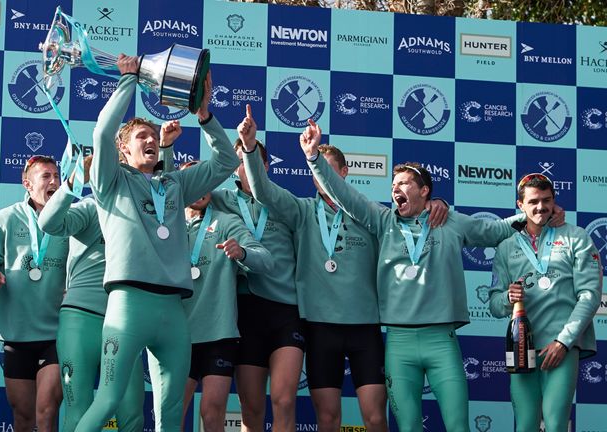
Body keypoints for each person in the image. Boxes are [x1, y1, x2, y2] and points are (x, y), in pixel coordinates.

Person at [300, 119, 564, 432]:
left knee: (457, 427)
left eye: (403, 183)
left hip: (442, 340)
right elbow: (342, 193)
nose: (395, 188)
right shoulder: (382, 220)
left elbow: (494, 231)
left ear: (424, 191)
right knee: (409, 427)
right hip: (398, 342)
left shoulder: (450, 221)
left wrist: (537, 212)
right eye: (393, 184)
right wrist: (313, 157)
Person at [240, 108, 446, 432]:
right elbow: (264, 192)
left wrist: (437, 203)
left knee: (376, 417)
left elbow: (412, 215)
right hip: (321, 328)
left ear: (344, 173)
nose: (322, 180)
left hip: (365, 327)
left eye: (329, 172)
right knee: (328, 418)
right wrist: (251, 150)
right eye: (316, 173)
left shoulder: (370, 214)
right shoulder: (301, 211)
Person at [74, 55, 238, 432]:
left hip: (173, 310)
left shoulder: (175, 186)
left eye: (152, 135)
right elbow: (101, 135)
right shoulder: (111, 183)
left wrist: (205, 115)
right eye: (140, 137)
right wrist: (128, 80)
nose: (150, 140)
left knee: (170, 411)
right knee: (109, 399)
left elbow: (226, 162)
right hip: (128, 305)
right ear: (123, 152)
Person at [37, 120, 179, 432]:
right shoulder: (91, 206)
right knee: (79, 412)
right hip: (83, 318)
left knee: (130, 415)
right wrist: (74, 181)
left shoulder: (155, 207)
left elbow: (165, 186)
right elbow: (49, 222)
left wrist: (166, 149)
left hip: (127, 321)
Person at [207, 113, 302, 432]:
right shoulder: (220, 200)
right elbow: (182, 190)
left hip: (285, 309)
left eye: (252, 160)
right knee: (250, 406)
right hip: (244, 311)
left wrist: (249, 144)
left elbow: (264, 190)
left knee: (285, 400)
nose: (247, 167)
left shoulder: (284, 202)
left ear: (266, 166)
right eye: (241, 161)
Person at [489, 173, 602, 432]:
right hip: (521, 348)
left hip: (561, 346)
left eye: (547, 200)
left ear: (554, 201)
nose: (541, 207)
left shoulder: (577, 237)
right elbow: (494, 305)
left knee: (555, 423)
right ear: (521, 206)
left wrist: (563, 342)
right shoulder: (506, 247)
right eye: (534, 201)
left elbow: (590, 295)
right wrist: (508, 298)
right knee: (526, 424)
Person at [179, 159, 274, 432]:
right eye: (194, 181)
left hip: (218, 334)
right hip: (178, 334)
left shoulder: (227, 222)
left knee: (212, 413)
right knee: (174, 410)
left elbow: (267, 262)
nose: (201, 187)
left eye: (206, 181)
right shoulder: (166, 224)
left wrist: (242, 253)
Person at [0, 155, 69, 432]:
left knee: (46, 410)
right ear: (27, 184)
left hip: (57, 331)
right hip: (16, 331)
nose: (54, 181)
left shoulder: (72, 218)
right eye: (46, 176)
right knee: (23, 417)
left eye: (57, 175)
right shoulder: (5, 218)